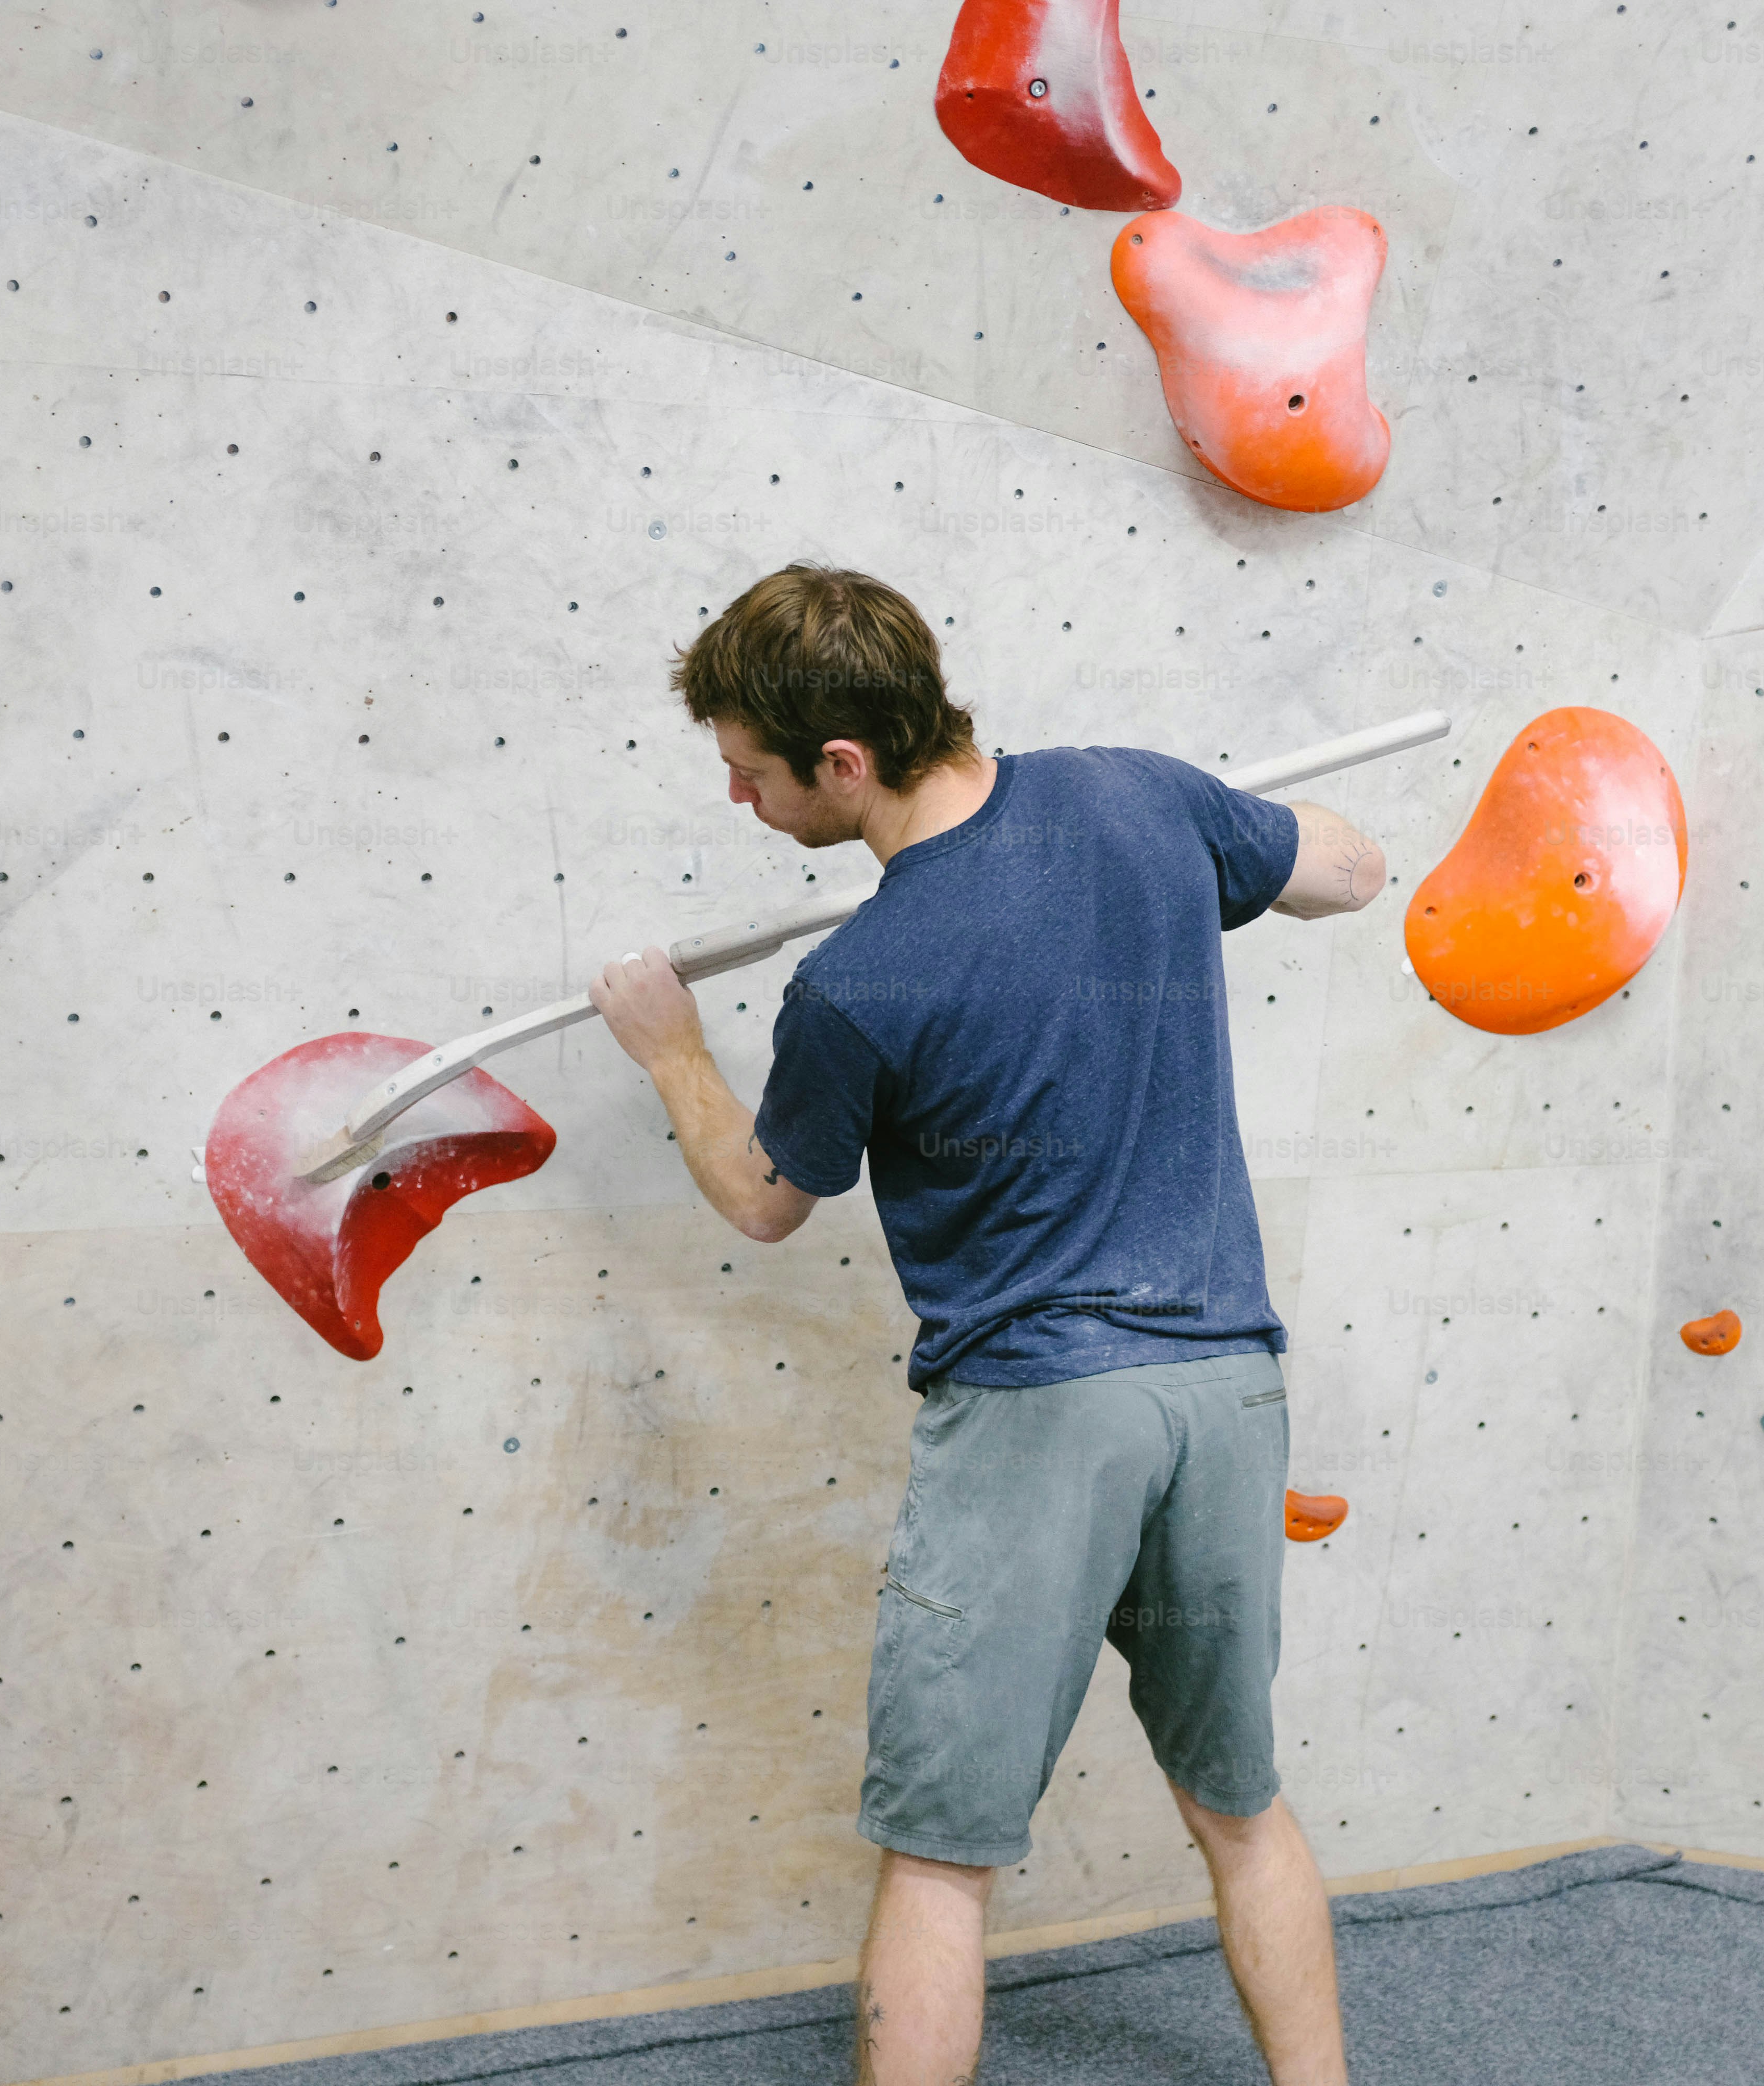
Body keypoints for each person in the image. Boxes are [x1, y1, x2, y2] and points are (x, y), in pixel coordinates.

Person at [586, 564, 1380, 2086]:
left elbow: (763, 1202)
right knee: (1242, 1807)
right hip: (1226, 1391)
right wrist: (1231, 834)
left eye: (751, 776)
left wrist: (673, 1052)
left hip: (1039, 1418)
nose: (743, 806)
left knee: (943, 1861)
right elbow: (1349, 874)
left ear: (842, 763)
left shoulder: (859, 984)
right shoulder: (1140, 798)